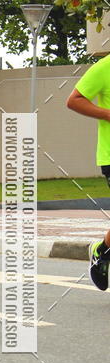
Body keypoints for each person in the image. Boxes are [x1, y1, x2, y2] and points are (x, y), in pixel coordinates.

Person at [67, 54, 110, 289]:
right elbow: (74, 100)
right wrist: (108, 114)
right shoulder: (104, 67)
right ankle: (102, 251)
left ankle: (103, 249)